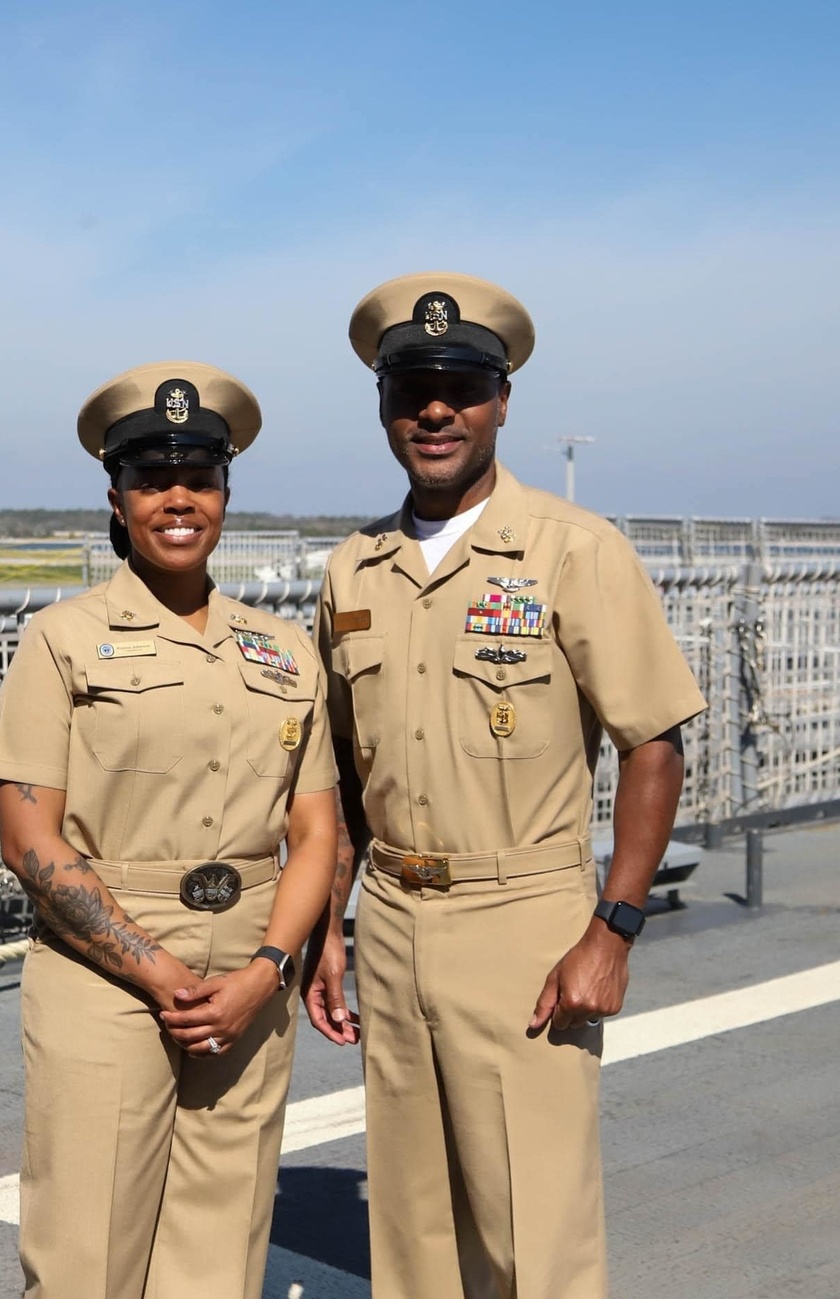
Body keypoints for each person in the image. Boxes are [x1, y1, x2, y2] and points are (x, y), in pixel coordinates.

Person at [303, 272, 707, 1299]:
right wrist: (330, 932)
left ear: (500, 401)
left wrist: (610, 930)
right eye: (411, 390)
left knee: (535, 1231)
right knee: (411, 1227)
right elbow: (346, 773)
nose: (434, 411)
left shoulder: (573, 552)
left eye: (460, 386)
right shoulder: (354, 569)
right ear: (384, 406)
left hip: (525, 919)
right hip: (391, 920)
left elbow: (651, 743)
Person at [0, 360, 337, 1299]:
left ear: (226, 490)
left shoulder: (285, 647)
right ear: (118, 494)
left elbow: (316, 831)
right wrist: (164, 975)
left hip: (251, 977)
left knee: (220, 1254)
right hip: (108, 978)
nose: (178, 498)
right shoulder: (62, 639)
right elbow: (30, 841)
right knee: (87, 1254)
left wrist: (263, 973)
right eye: (151, 477)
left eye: (200, 476)